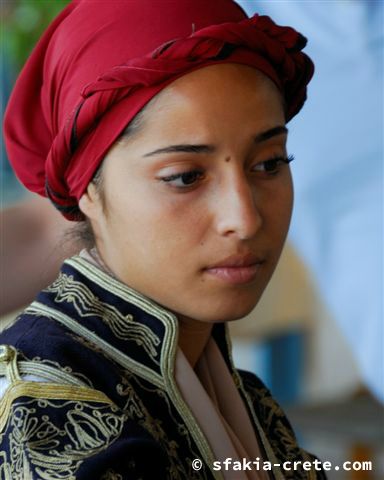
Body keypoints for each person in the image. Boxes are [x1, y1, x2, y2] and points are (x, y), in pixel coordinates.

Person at [0, 1, 325, 478]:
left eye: (269, 163)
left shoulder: (245, 400)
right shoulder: (49, 410)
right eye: (184, 176)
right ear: (87, 186)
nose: (245, 219)